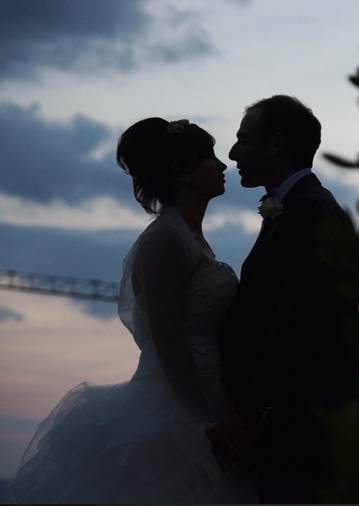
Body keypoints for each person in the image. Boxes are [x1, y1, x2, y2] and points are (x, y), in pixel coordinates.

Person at [9, 118, 256, 503]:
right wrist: (202, 423)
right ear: (183, 171)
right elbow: (168, 337)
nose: (221, 164)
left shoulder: (191, 238)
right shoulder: (164, 240)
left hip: (210, 398)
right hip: (179, 412)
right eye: (209, 156)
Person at [215, 95, 359, 502]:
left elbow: (301, 327)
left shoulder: (310, 214)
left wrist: (256, 413)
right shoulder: (300, 208)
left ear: (276, 144)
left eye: (244, 140)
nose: (232, 153)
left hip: (298, 428)